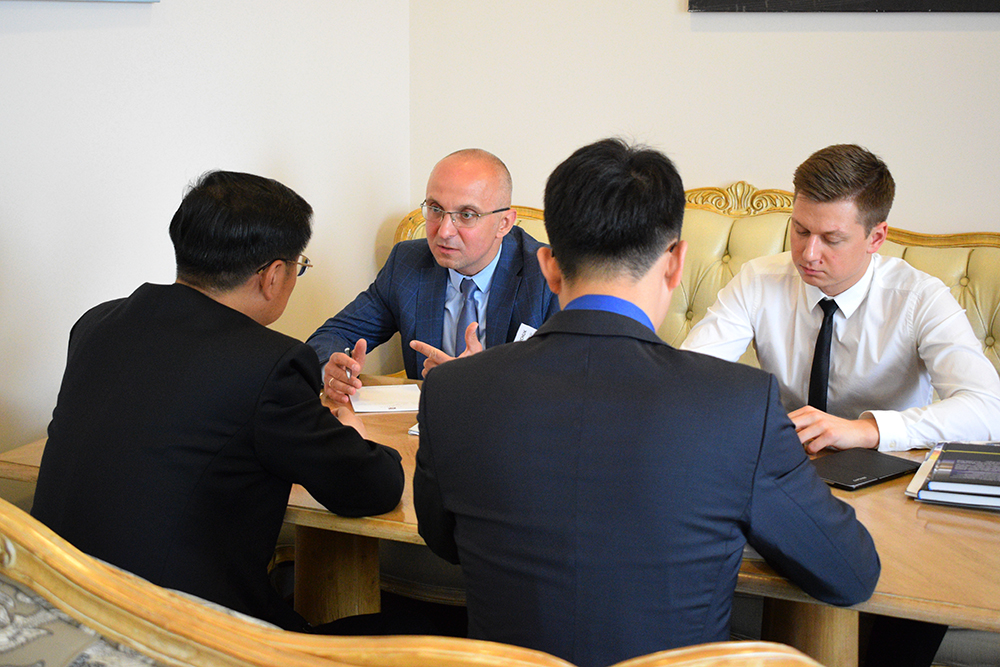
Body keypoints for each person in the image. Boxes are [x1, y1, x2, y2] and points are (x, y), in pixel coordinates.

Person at [413, 138, 881, 667]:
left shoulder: (453, 392)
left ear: (549, 266)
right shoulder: (740, 406)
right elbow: (849, 573)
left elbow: (444, 542)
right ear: (676, 263)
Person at [31, 171, 404, 633]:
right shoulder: (270, 363)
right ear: (273, 275)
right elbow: (372, 488)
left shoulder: (96, 325)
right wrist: (352, 434)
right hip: (179, 635)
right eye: (298, 266)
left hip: (54, 613)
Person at [682, 144, 1000, 455]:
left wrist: (866, 430)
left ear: (876, 238)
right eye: (801, 231)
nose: (808, 254)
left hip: (886, 465)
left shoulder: (920, 298)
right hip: (786, 461)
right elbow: (685, 378)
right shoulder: (758, 280)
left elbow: (989, 409)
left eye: (832, 239)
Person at [307, 148, 559, 401]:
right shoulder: (408, 263)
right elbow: (331, 336)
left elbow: (567, 382)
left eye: (466, 215)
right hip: (424, 421)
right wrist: (332, 370)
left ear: (504, 223)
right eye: (436, 209)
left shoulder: (547, 275)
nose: (444, 231)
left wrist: (483, 380)